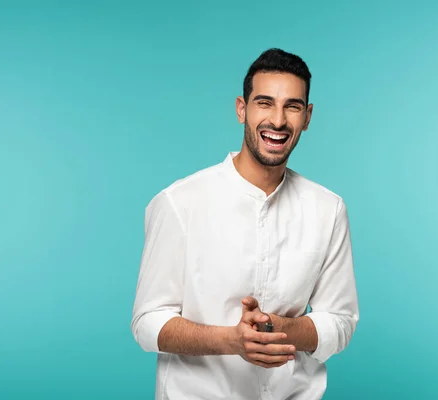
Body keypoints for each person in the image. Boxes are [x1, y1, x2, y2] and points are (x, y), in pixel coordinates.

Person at [131, 48, 360, 400]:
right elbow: (147, 323)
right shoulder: (179, 203)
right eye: (265, 103)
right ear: (242, 109)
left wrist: (286, 330)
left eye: (293, 106)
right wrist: (231, 340)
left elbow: (341, 320)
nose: (279, 121)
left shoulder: (328, 209)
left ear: (308, 116)